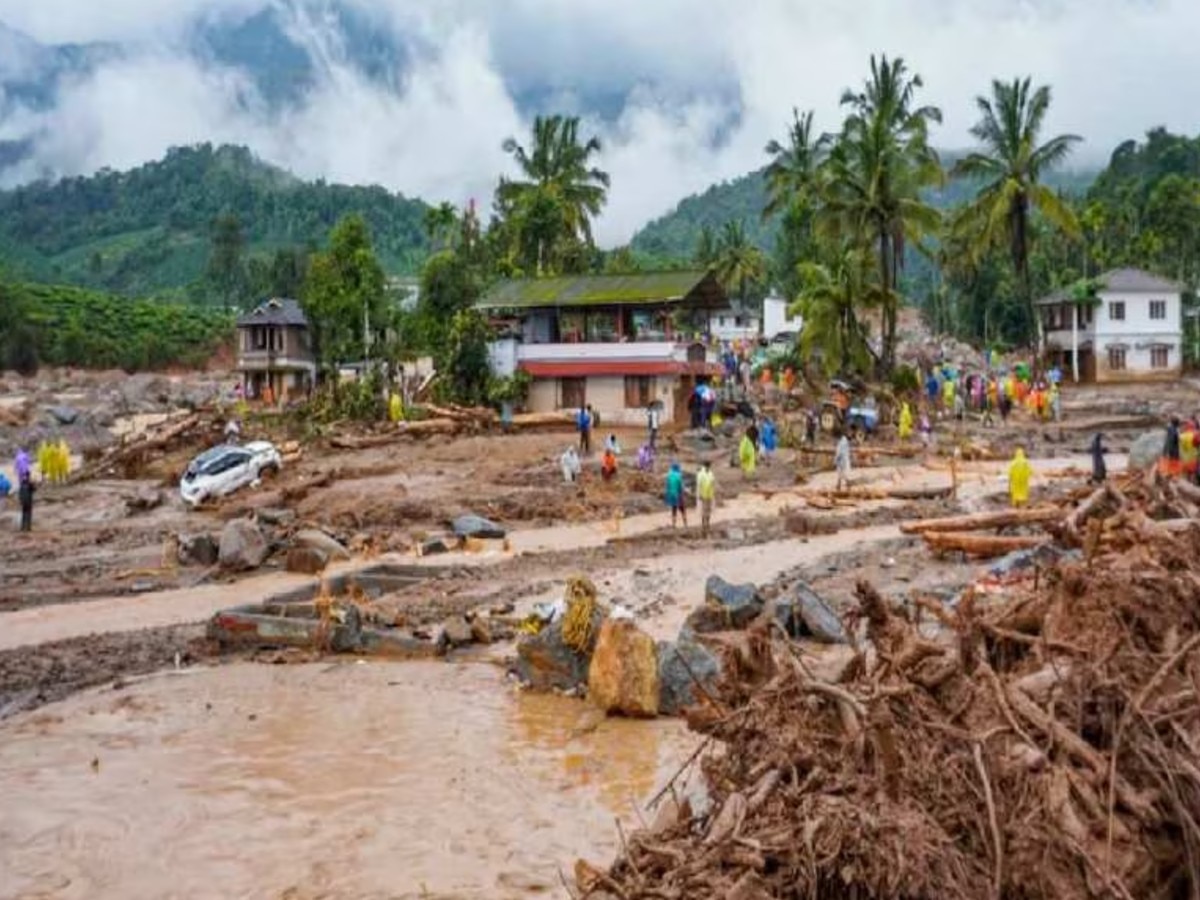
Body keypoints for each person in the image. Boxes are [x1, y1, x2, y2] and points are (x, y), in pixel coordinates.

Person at [696, 461, 716, 538]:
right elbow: (699, 484)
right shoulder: (701, 474)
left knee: (708, 510)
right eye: (707, 466)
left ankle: (707, 523)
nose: (708, 468)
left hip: (709, 495)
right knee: (703, 510)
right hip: (703, 495)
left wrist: (713, 493)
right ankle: (703, 524)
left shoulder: (711, 474)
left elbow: (713, 483)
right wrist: (699, 494)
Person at [665, 461, 687, 528]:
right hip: (678, 494)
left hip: (671, 495)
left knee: (674, 509)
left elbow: (667, 486)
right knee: (682, 509)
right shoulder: (679, 476)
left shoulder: (669, 476)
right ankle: (685, 524)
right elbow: (681, 487)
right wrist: (683, 494)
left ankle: (674, 524)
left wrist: (667, 496)